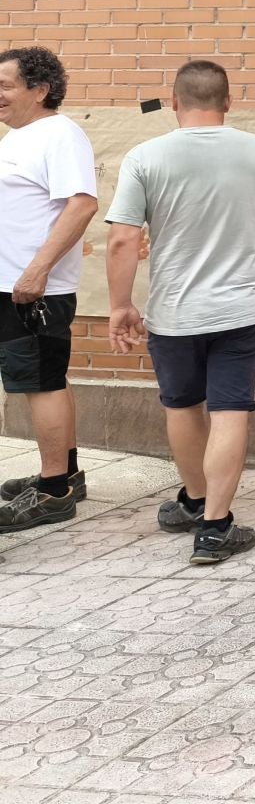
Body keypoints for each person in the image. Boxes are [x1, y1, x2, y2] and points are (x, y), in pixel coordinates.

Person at [105, 60, 255, 564]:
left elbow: (123, 238)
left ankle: (194, 500)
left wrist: (120, 305)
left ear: (174, 103)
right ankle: (216, 527)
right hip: (240, 306)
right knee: (230, 409)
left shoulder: (145, 156)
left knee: (181, 404)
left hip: (173, 311)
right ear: (228, 102)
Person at [0, 47, 98, 532]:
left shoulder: (58, 134)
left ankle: (55, 492)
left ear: (39, 90)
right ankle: (66, 473)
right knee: (47, 378)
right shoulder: (20, 138)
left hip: (31, 289)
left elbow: (81, 205)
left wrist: (37, 271)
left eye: (6, 85)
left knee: (39, 382)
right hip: (14, 283)